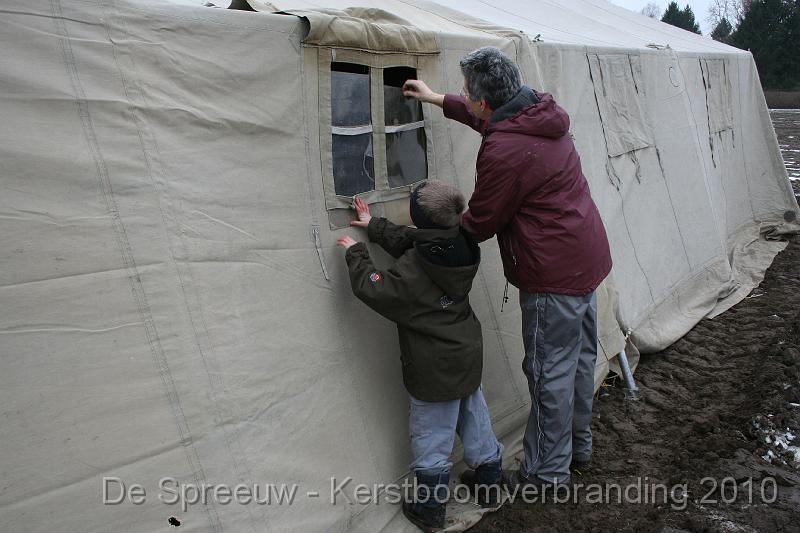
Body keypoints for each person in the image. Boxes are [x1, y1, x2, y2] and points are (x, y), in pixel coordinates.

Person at [403, 47, 612, 495]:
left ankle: (545, 475)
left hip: (551, 273)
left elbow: (480, 221)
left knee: (548, 371)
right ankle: (577, 447)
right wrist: (438, 99)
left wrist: (422, 237)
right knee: (577, 363)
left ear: (484, 101)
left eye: (465, 93)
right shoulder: (538, 112)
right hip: (584, 257)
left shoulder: (504, 151)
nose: (464, 96)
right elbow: (493, 122)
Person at [336, 181, 504, 531]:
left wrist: (356, 253)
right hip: (466, 351)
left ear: (418, 218)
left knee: (432, 432)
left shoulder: (414, 269)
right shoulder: (461, 240)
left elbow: (377, 287)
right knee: (475, 417)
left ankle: (429, 507)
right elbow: (414, 239)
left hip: (434, 365)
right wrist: (375, 225)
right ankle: (489, 483)